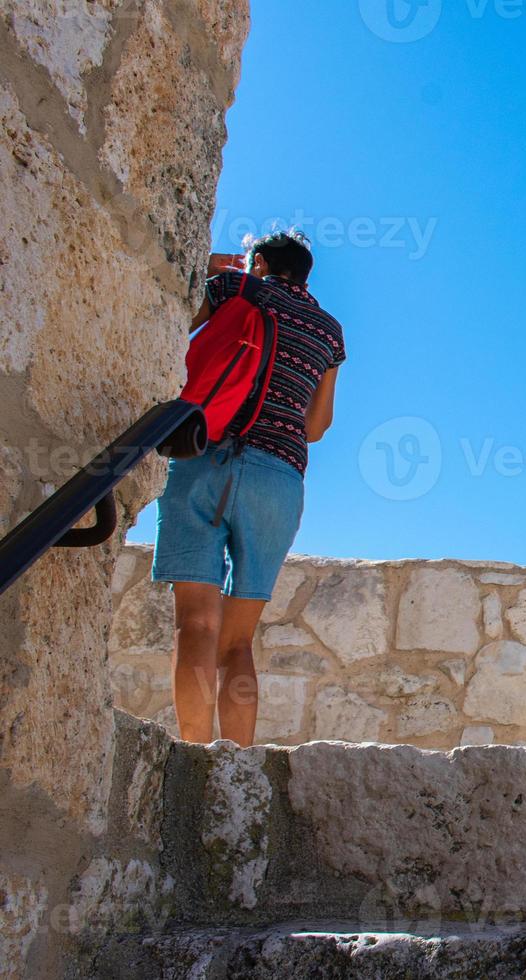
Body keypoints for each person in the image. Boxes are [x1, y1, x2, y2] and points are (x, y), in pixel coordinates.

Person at [151, 229, 344, 745]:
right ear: (305, 273)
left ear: (259, 261)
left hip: (205, 454)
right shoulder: (329, 331)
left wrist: (207, 269)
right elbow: (317, 426)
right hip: (278, 476)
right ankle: (234, 766)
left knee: (196, 624)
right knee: (238, 641)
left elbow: (171, 342)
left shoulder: (235, 289)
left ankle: (191, 755)